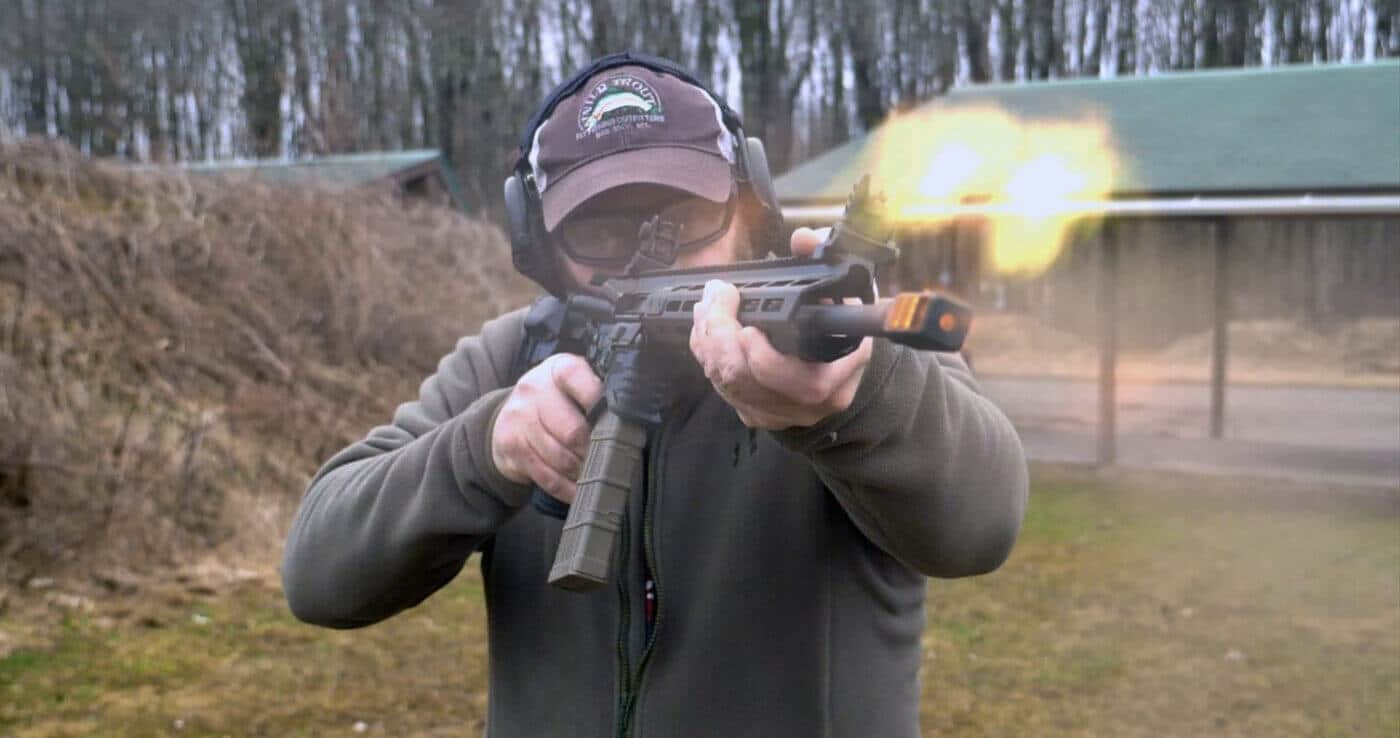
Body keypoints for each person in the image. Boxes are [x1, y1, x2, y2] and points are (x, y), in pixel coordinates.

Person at [281, 51, 1028, 738]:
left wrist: (856, 407)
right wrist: (485, 452)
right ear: (538, 244)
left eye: (687, 216)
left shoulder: (851, 354)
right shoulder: (514, 360)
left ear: (749, 206)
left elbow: (982, 524)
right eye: (601, 231)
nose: (652, 250)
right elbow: (319, 576)